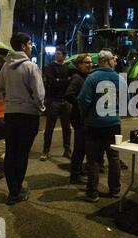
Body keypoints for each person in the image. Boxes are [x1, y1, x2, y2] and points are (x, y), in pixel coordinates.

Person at [0, 32, 45, 205]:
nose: (31, 47)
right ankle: (17, 191)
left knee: (11, 152)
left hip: (10, 114)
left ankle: (13, 190)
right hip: (28, 116)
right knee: (22, 153)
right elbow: (39, 94)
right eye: (30, 44)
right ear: (24, 46)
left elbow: (0, 89)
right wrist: (39, 107)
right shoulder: (31, 67)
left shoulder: (5, 66)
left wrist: (10, 102)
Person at [78, 49, 127, 202]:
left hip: (94, 125)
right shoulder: (119, 78)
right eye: (113, 59)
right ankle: (115, 190)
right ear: (107, 61)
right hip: (113, 124)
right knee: (114, 157)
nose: (115, 61)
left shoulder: (92, 78)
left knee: (93, 159)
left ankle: (92, 193)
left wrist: (86, 116)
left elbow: (83, 100)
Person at [40, 45, 72, 161]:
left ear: (64, 55)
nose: (56, 55)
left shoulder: (68, 67)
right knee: (49, 127)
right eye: (56, 53)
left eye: (59, 53)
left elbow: (69, 82)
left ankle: (67, 150)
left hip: (65, 101)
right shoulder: (50, 67)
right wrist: (64, 81)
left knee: (66, 128)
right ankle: (45, 150)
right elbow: (52, 82)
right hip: (53, 100)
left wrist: (59, 81)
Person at [65, 54, 93, 184]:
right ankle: (75, 175)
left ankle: (78, 171)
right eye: (86, 63)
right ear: (79, 64)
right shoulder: (77, 78)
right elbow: (69, 95)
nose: (90, 65)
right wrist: (81, 103)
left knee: (82, 146)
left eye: (91, 62)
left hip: (83, 117)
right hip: (79, 117)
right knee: (80, 147)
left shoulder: (84, 77)